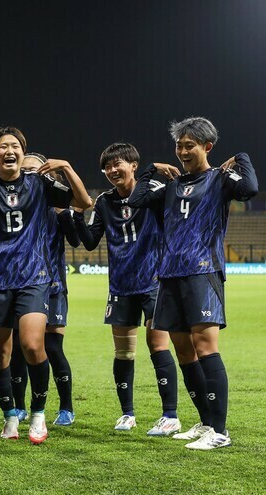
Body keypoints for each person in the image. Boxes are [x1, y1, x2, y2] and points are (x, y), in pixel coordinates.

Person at [0, 127, 92, 444]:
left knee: (34, 346)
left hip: (33, 278)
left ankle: (38, 413)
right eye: (2, 146)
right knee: (0, 355)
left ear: (22, 153)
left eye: (15, 146)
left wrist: (66, 168)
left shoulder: (39, 183)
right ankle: (9, 415)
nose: (9, 150)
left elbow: (84, 201)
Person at [128, 118, 258, 450]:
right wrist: (151, 169)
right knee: (184, 351)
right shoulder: (169, 186)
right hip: (169, 275)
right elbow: (136, 199)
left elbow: (250, 188)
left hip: (203, 272)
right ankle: (205, 423)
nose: (183, 152)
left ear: (207, 147)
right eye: (179, 145)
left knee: (205, 347)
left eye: (190, 145)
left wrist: (240, 157)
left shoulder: (219, 180)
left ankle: (220, 431)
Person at [73, 142, 181, 435]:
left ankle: (170, 415)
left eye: (117, 164)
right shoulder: (105, 202)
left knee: (157, 345)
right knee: (123, 354)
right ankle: (127, 414)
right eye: (107, 167)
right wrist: (73, 214)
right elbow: (90, 241)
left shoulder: (153, 193)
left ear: (134, 165)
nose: (111, 171)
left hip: (153, 282)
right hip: (121, 285)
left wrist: (154, 170)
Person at [9, 152, 79, 427]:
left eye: (37, 171)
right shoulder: (15, 206)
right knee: (18, 349)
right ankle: (19, 407)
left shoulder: (58, 208)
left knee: (52, 348)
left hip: (53, 286)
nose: (31, 175)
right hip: (20, 286)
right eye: (25, 170)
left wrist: (66, 215)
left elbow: (75, 240)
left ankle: (66, 407)